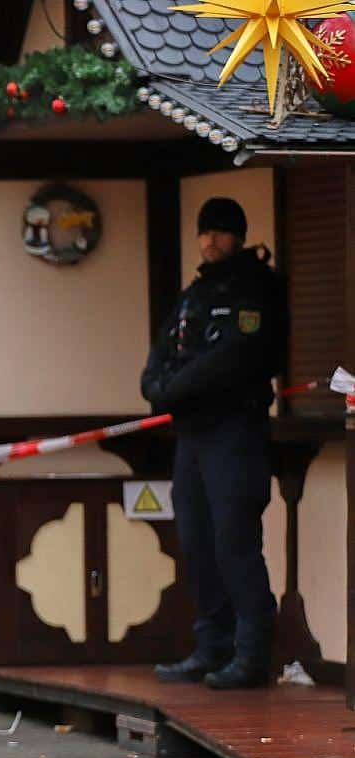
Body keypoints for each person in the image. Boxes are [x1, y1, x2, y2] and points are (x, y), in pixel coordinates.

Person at [141, 197, 287, 690]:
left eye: (221, 231)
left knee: (234, 542)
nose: (210, 240)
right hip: (192, 435)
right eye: (204, 231)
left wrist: (173, 389)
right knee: (196, 541)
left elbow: (235, 356)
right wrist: (155, 386)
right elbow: (163, 351)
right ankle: (211, 647)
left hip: (235, 431)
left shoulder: (255, 287)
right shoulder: (195, 294)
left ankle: (251, 653)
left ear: (238, 236)